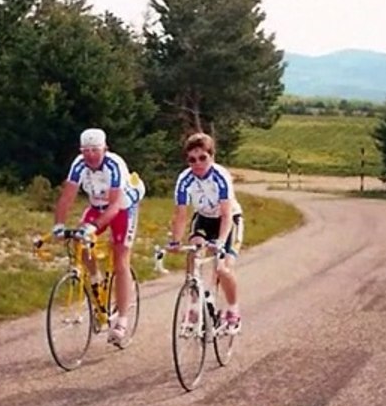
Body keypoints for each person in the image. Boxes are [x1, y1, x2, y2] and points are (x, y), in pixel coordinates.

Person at [52, 127, 145, 347]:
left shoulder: (115, 165)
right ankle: (96, 280)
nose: (91, 155)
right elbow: (67, 197)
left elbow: (114, 207)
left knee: (121, 258)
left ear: (105, 149)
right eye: (86, 151)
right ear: (81, 151)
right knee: (79, 241)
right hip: (97, 205)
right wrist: (58, 225)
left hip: (123, 207)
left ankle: (122, 319)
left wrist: (94, 226)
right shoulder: (79, 165)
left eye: (95, 150)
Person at [167, 131, 244, 334]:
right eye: (192, 159)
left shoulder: (220, 176)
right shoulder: (184, 180)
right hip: (203, 218)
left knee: (222, 268)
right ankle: (194, 303)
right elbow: (181, 215)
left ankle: (233, 309)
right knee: (194, 250)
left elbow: (226, 214)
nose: (198, 163)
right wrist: (175, 241)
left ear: (211, 156)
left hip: (229, 219)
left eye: (203, 158)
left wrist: (219, 241)